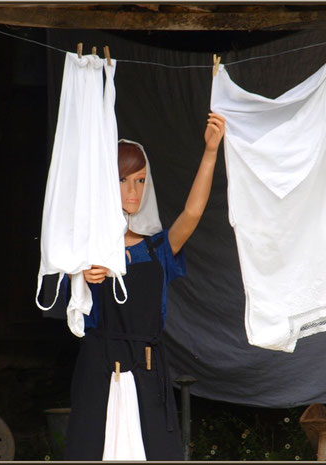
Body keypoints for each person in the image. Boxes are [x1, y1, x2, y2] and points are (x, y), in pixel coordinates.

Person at [64, 113, 226, 460]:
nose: (133, 190)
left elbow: (193, 213)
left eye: (140, 181)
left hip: (147, 369)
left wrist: (211, 151)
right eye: (123, 180)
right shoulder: (82, 251)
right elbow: (66, 300)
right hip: (98, 370)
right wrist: (80, 274)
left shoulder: (157, 249)